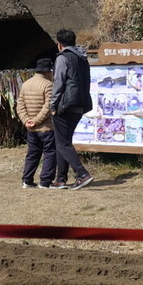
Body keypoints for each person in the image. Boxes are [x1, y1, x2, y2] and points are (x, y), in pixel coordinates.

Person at [49, 29, 95, 190]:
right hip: (80, 104)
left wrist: (53, 105)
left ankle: (82, 174)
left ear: (59, 44)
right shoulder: (82, 58)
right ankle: (60, 180)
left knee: (61, 143)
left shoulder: (63, 57)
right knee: (64, 142)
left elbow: (58, 83)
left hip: (65, 105)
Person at [16, 58, 57, 189]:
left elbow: (20, 105)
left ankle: (27, 180)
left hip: (31, 128)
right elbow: (48, 106)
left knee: (32, 153)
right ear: (48, 72)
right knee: (50, 153)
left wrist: (27, 120)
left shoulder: (26, 84)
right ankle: (45, 181)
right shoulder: (48, 85)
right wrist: (37, 120)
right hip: (46, 127)